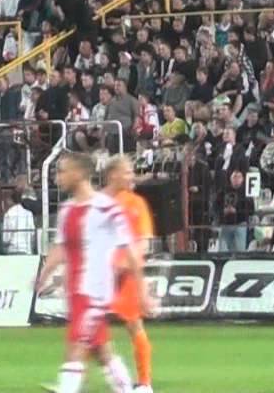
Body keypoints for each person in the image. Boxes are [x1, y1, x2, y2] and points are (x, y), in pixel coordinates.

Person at [35, 151, 143, 393]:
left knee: (75, 350)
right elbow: (61, 248)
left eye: (62, 171)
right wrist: (43, 275)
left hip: (94, 293)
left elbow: (131, 251)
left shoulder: (107, 208)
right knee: (102, 352)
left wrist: (143, 292)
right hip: (75, 294)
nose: (58, 177)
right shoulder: (66, 210)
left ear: (80, 173)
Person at [104, 155, 158, 392]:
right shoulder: (99, 202)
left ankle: (144, 383)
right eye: (126, 172)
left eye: (131, 171)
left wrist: (124, 264)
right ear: (113, 174)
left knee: (134, 325)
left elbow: (143, 243)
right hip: (101, 273)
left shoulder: (136, 203)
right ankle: (75, 378)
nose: (131, 176)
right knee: (88, 326)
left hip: (126, 274)